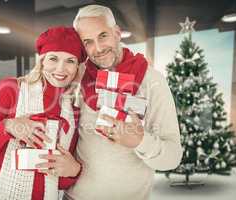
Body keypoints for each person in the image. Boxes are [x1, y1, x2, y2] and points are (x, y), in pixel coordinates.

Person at [64, 5, 183, 200]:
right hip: (74, 196)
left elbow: (172, 157)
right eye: (88, 42)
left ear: (117, 33)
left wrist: (140, 141)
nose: (98, 48)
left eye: (103, 36)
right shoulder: (79, 76)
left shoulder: (152, 81)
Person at [0, 26, 86, 200]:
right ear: (42, 61)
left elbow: (58, 182)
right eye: (53, 58)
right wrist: (8, 126)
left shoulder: (73, 112)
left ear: (77, 67)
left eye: (70, 61)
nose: (61, 69)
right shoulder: (11, 90)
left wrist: (73, 170)